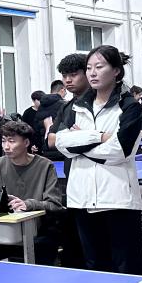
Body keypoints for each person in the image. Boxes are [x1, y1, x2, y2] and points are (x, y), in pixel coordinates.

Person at [55, 45, 142, 283]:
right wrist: (98, 137)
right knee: (96, 270)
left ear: (116, 71)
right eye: (90, 67)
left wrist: (81, 141)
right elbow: (59, 143)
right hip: (81, 198)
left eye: (99, 66)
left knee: (129, 270)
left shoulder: (130, 106)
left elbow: (121, 151)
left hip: (118, 199)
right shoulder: (74, 106)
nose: (93, 72)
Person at [0, 120, 63, 263]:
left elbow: (55, 204)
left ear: (26, 143)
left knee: (40, 253)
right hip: (5, 231)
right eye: (3, 141)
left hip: (38, 231)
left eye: (12, 141)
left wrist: (28, 204)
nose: (6, 146)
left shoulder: (45, 166)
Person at [43, 52, 90, 269]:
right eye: (64, 76)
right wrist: (81, 136)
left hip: (103, 180)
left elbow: (107, 140)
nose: (68, 80)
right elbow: (51, 140)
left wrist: (76, 136)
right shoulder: (65, 107)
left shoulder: (102, 105)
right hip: (74, 179)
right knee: (77, 239)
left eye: (73, 74)